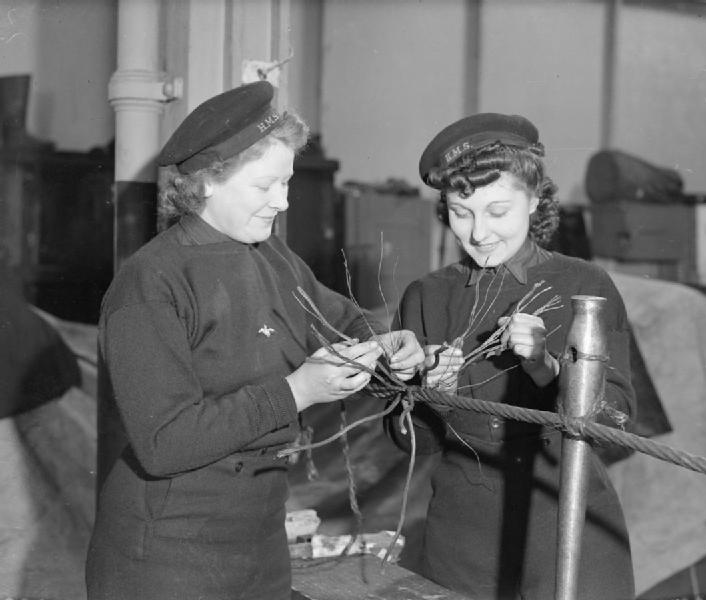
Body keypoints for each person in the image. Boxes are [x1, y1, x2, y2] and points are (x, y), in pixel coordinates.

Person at [85, 80, 424, 600]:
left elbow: (342, 319)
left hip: (258, 546)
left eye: (286, 183)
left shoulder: (271, 255)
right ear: (207, 183)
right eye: (265, 186)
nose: (282, 202)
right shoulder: (150, 283)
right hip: (168, 558)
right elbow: (164, 443)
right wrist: (296, 392)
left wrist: (386, 349)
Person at [385, 113, 636, 600]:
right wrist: (432, 393)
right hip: (463, 539)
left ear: (535, 198)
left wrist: (550, 368)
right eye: (462, 212)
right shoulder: (426, 296)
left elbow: (620, 426)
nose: (478, 233)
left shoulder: (586, 286)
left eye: (497, 211)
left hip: (567, 521)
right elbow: (406, 440)